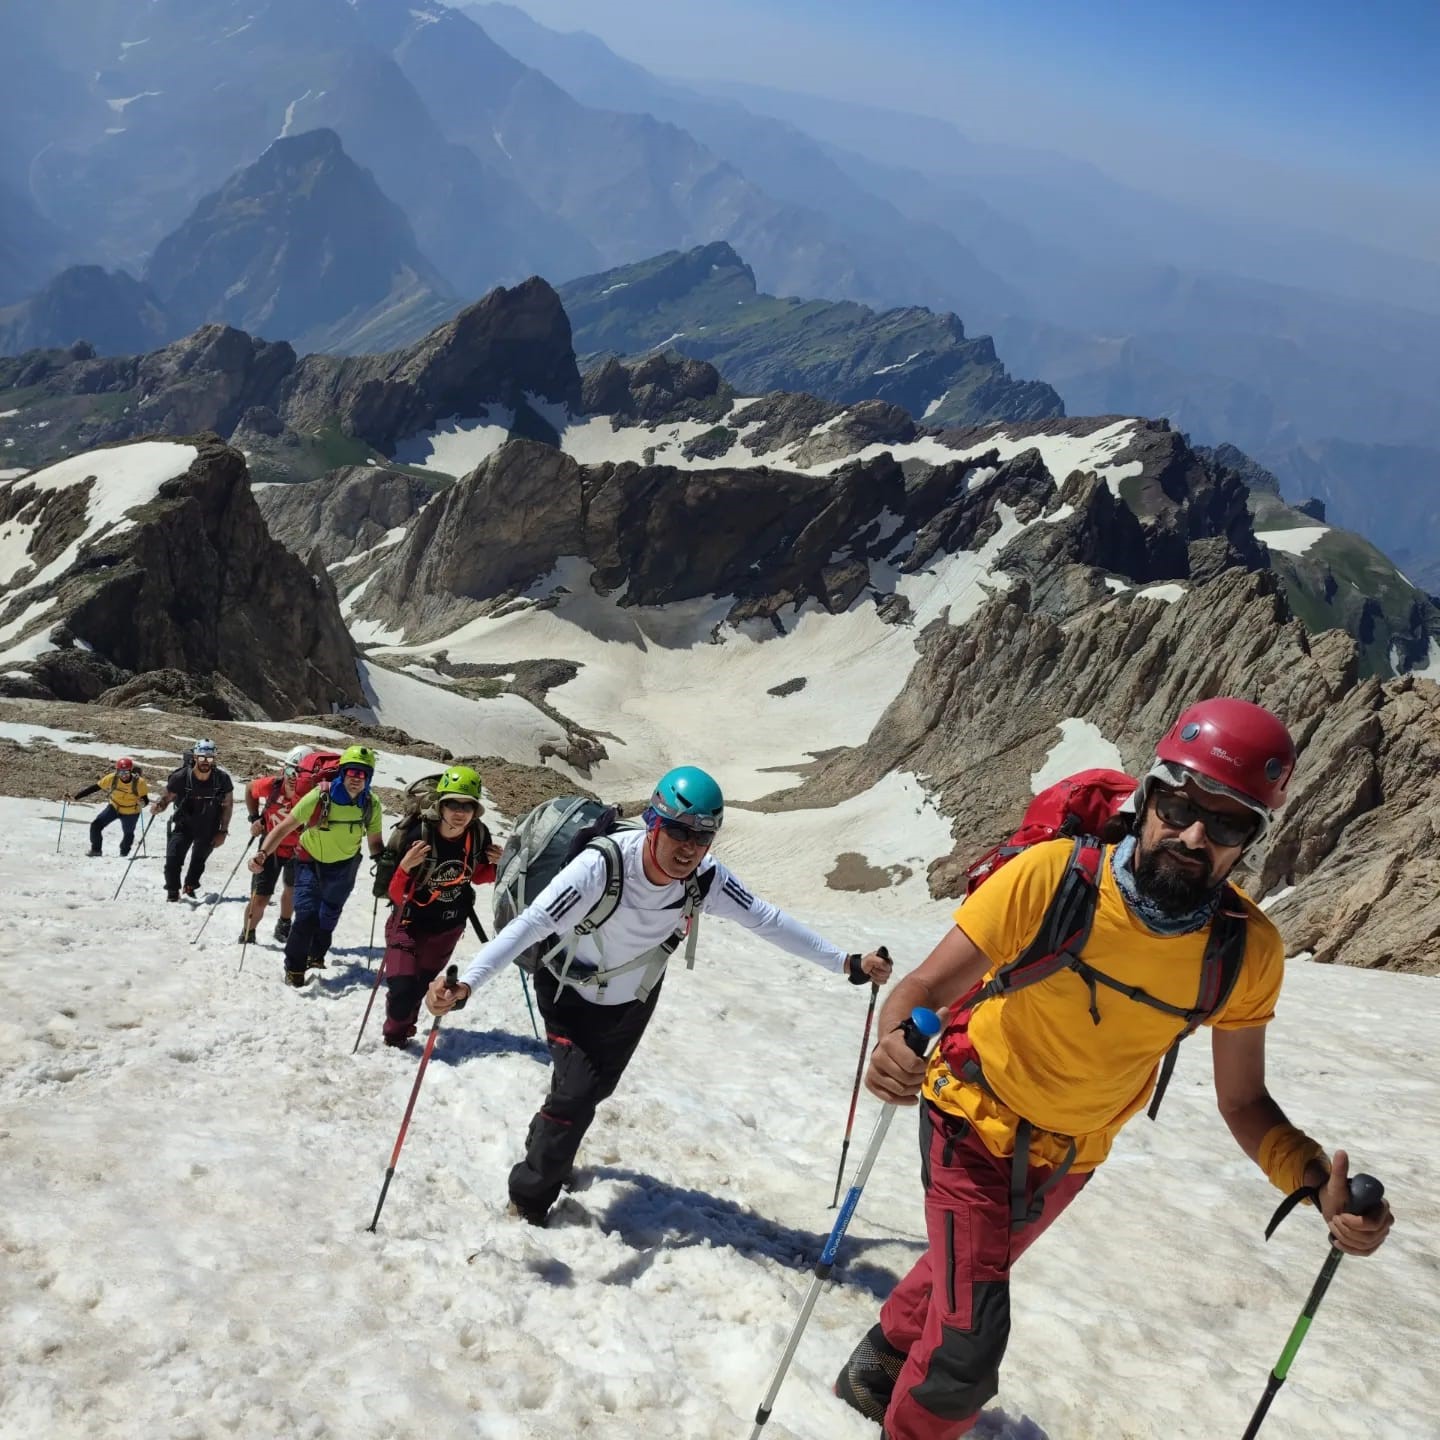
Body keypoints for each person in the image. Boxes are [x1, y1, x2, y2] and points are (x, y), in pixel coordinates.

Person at [836, 698, 1396, 1440]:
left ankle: (877, 1365)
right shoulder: (1052, 879)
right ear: (1148, 798)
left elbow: (1242, 1100)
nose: (1194, 835)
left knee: (965, 1275)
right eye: (1178, 806)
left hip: (1073, 1153)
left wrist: (1312, 1178)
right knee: (968, 1349)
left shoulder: (1244, 951)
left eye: (1226, 822)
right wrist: (897, 1040)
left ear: (1250, 840)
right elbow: (923, 990)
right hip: (971, 1115)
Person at [426, 765, 895, 1227]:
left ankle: (550, 1140)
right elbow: (532, 925)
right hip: (568, 992)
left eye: (703, 836)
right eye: (679, 831)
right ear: (653, 822)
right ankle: (528, 1199)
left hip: (633, 1002)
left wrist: (846, 962)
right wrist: (466, 983)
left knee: (589, 1092)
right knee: (578, 1094)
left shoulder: (705, 879)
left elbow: (766, 920)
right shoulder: (602, 865)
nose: (690, 847)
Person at [381, 766, 500, 1049]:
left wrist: (497, 866)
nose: (460, 811)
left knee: (421, 984)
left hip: (448, 925)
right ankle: (395, 1032)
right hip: (408, 922)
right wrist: (405, 868)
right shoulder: (418, 835)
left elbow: (476, 875)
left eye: (467, 805)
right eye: (453, 804)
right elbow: (396, 894)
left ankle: (404, 1027)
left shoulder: (478, 836)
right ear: (441, 805)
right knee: (401, 987)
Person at [250, 744, 384, 987]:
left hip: (346, 865)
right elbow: (284, 827)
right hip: (309, 862)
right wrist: (262, 854)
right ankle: (294, 967)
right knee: (307, 915)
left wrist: (386, 864)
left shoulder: (371, 804)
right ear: (343, 772)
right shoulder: (321, 796)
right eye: (352, 772)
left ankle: (316, 955)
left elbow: (375, 842)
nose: (356, 778)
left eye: (362, 774)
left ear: (369, 777)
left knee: (329, 914)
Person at [239, 746, 309, 945]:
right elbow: (250, 788)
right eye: (290, 771)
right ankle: (248, 933)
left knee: (292, 889)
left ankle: (284, 924)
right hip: (270, 848)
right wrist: (255, 818)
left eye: (299, 772)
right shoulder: (273, 786)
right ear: (283, 769)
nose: (293, 777)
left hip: (299, 849)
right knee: (260, 896)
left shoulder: (311, 794)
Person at [150, 740, 234, 901]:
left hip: (209, 827)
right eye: (202, 757)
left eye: (209, 758)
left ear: (214, 759)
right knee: (173, 859)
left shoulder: (222, 779)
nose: (205, 762)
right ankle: (173, 892)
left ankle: (190, 885)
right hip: (184, 825)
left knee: (198, 861)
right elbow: (167, 798)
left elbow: (228, 805)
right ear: (195, 757)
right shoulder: (181, 777)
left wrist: (223, 831)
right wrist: (158, 807)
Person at [68, 757, 149, 856]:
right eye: (121, 773)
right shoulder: (112, 778)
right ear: (117, 771)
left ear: (131, 771)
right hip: (114, 807)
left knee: (128, 834)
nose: (123, 776)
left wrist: (143, 803)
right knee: (96, 825)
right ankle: (96, 850)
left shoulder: (139, 782)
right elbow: (95, 788)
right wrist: (76, 797)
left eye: (126, 773)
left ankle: (124, 853)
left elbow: (145, 799)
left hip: (131, 811)